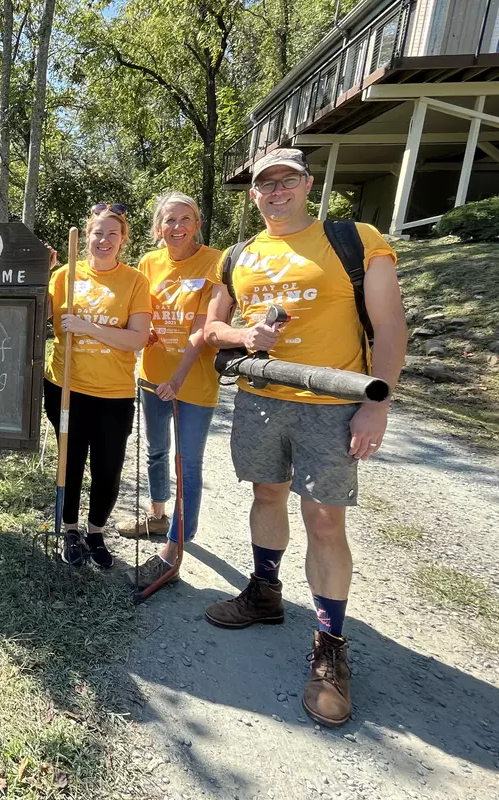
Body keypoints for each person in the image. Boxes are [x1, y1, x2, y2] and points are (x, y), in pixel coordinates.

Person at [202, 148, 406, 727]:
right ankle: (265, 593)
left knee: (324, 518)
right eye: (266, 184)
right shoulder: (239, 256)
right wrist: (246, 337)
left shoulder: (355, 240)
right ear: (254, 195)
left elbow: (391, 325)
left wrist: (377, 402)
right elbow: (212, 328)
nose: (276, 191)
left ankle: (329, 644)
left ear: (307, 184)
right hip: (261, 400)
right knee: (266, 495)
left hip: (332, 406)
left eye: (287, 181)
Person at [116, 193, 222, 590]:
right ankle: (157, 516)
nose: (176, 227)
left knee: (186, 462)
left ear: (196, 224)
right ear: (158, 228)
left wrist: (177, 378)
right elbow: (137, 313)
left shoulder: (215, 261)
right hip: (152, 375)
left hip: (192, 381)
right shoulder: (148, 262)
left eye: (185, 219)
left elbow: (202, 327)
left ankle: (176, 545)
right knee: (155, 450)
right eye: (168, 221)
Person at [44, 204, 152, 568]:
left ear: (123, 239)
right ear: (86, 236)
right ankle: (71, 531)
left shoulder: (135, 281)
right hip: (65, 387)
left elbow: (137, 339)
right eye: (97, 233)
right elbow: (34, 315)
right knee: (70, 464)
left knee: (107, 469)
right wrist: (40, 273)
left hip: (113, 393)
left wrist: (88, 327)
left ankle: (95, 532)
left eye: (112, 234)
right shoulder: (63, 276)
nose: (103, 240)